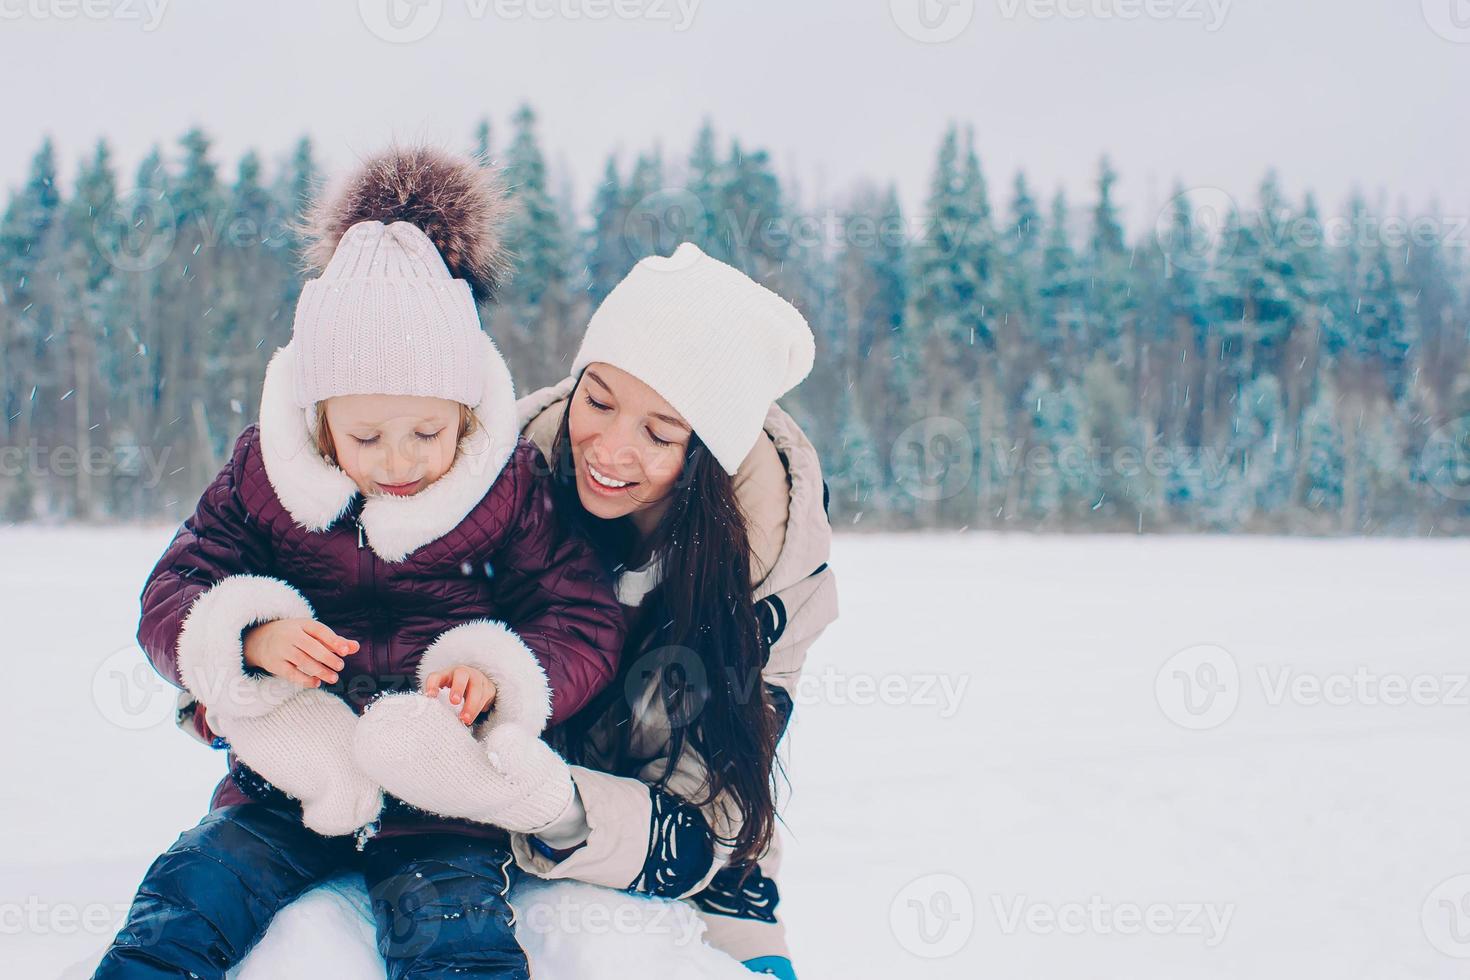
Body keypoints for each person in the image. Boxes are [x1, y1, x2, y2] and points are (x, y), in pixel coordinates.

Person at [93, 147, 624, 979]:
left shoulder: (508, 485)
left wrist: (499, 679)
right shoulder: (263, 476)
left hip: (442, 797)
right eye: (366, 437)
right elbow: (174, 590)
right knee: (194, 892)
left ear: (465, 411)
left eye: (427, 433)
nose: (399, 460)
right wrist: (250, 637)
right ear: (319, 422)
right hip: (283, 786)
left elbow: (580, 616)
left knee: (458, 938)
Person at [363, 242, 838, 978]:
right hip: (472, 822)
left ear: (708, 452)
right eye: (599, 400)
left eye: (659, 432)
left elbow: (711, 818)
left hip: (679, 840)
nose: (610, 449)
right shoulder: (492, 481)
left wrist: (552, 802)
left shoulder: (771, 570)